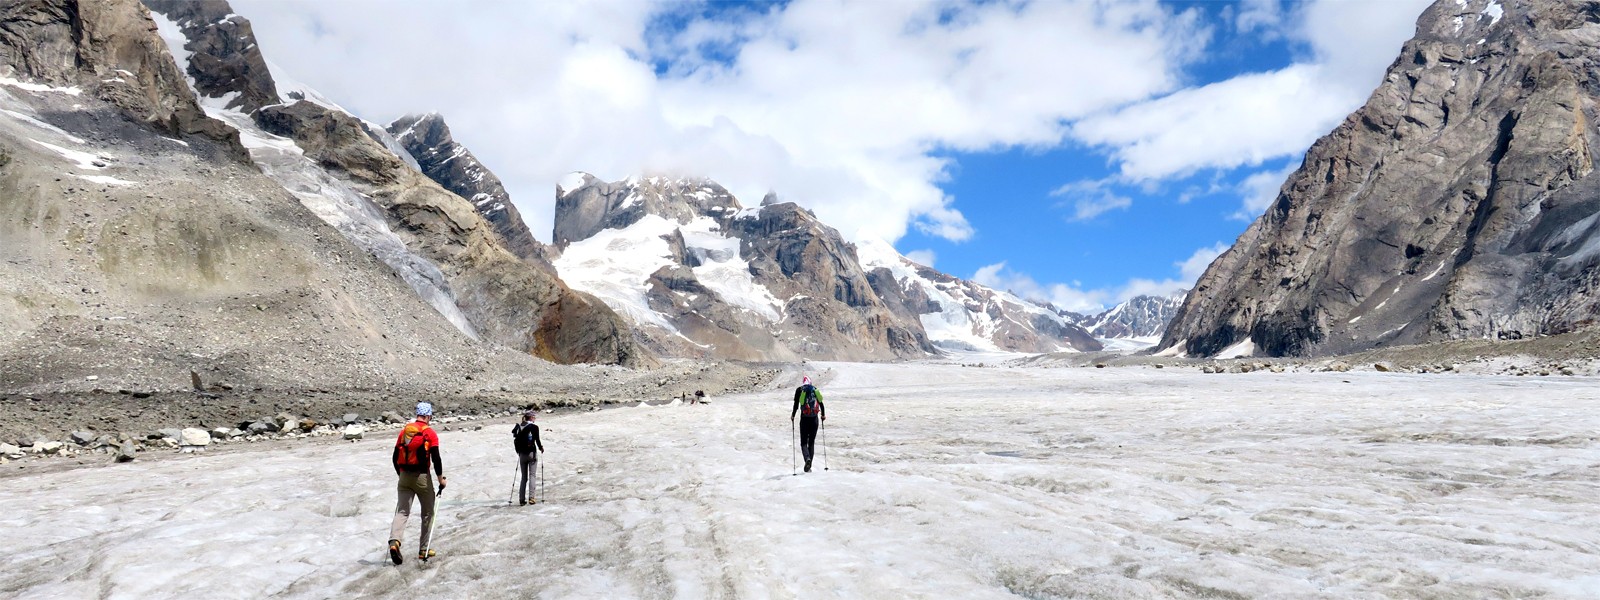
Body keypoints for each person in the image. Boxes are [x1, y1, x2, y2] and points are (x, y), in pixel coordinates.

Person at [389, 401, 446, 565]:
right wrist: (441, 479)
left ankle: (395, 542)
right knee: (428, 512)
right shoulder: (430, 433)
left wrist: (401, 474)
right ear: (428, 416)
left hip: (404, 476)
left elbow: (394, 457)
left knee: (402, 512)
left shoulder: (404, 431)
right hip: (422, 476)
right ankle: (423, 549)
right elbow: (436, 458)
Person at [791, 376, 825, 472]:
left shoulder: (799, 390)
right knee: (811, 443)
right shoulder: (815, 390)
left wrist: (793, 415)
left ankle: (807, 459)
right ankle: (810, 464)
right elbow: (821, 404)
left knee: (803, 443)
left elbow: (796, 405)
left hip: (804, 419)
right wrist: (823, 415)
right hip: (814, 419)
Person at [512, 409, 544, 505]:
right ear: (531, 417)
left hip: (522, 454)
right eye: (534, 417)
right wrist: (541, 448)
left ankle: (521, 499)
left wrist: (519, 452)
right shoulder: (534, 427)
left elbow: (516, 440)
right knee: (532, 475)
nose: (535, 418)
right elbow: (537, 440)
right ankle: (531, 498)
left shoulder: (519, 427)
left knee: (524, 478)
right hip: (531, 454)